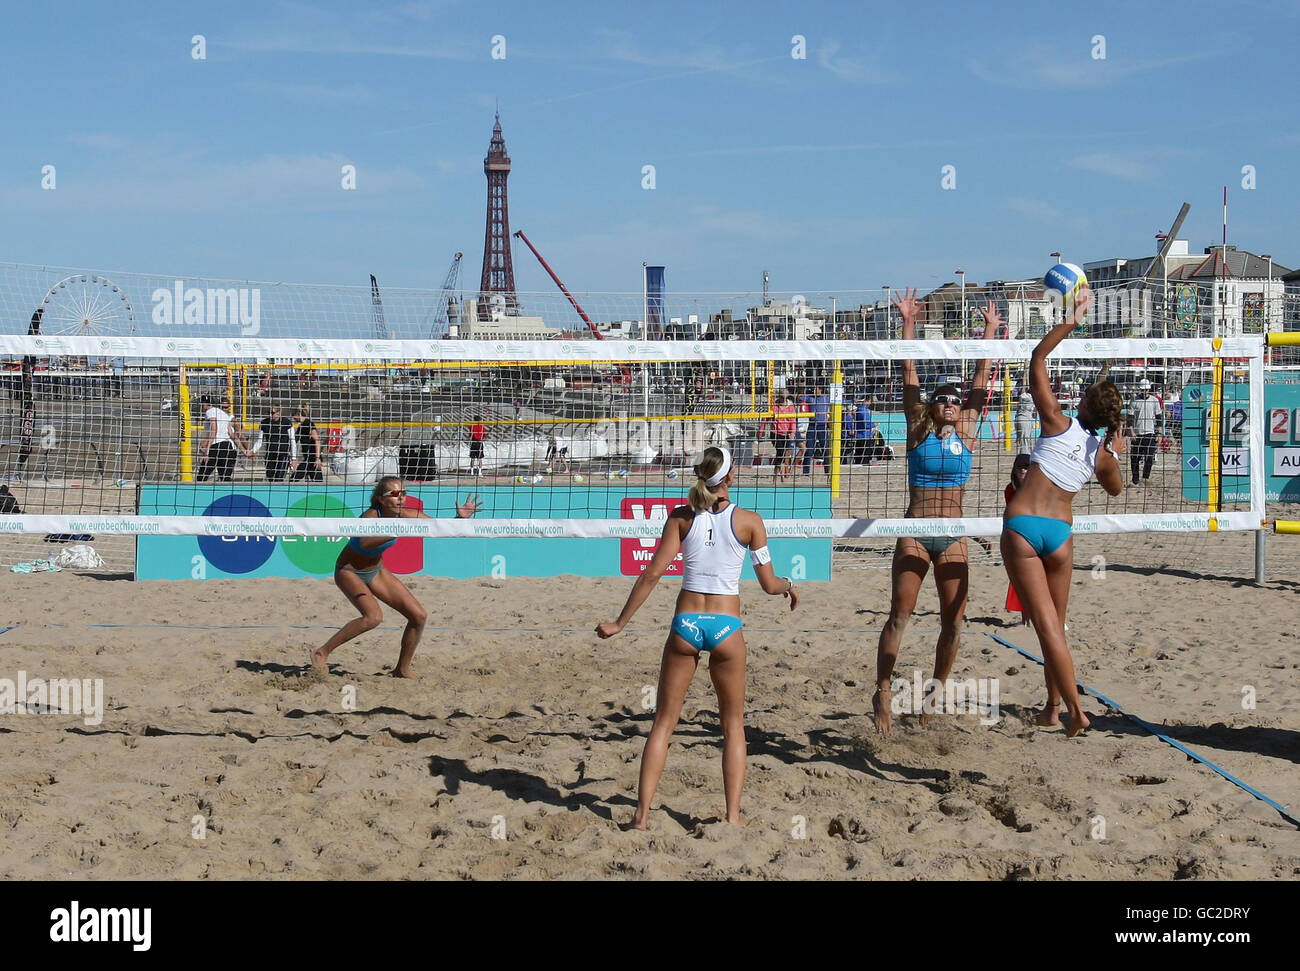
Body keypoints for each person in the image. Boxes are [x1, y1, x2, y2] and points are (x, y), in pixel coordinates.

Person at [596, 446, 798, 828]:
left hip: (685, 624)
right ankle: (733, 817)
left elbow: (652, 575)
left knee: (663, 724)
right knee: (733, 726)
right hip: (726, 628)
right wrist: (790, 585)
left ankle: (641, 817)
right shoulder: (750, 522)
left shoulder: (680, 518)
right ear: (731, 477)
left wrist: (620, 623)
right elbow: (769, 585)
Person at [872, 289, 1001, 735]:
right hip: (914, 530)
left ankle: (932, 696)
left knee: (954, 621)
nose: (949, 404)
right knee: (899, 616)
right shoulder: (917, 428)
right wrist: (907, 323)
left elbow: (982, 376)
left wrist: (990, 332)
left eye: (955, 400)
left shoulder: (967, 429)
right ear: (933, 406)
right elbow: (909, 373)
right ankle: (883, 691)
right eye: (942, 399)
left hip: (954, 534)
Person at [1003, 287, 1125, 737]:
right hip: (1060, 536)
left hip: (1023, 528)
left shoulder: (1056, 420)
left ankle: (1076, 711)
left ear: (1083, 405)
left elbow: (1037, 359)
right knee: (1056, 625)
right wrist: (1115, 451)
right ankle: (1053, 707)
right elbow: (1115, 492)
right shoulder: (1102, 455)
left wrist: (1071, 320)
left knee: (1046, 627)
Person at [312, 478, 482, 679]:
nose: (401, 498)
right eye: (394, 494)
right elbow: (365, 543)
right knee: (373, 617)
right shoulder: (370, 517)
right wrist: (399, 528)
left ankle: (402, 669)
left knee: (418, 616)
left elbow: (437, 528)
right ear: (380, 500)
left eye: (403, 493)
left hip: (376, 571)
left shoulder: (407, 515)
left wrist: (458, 519)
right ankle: (321, 652)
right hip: (348, 571)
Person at [1004, 454, 1032, 625]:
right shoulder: (1010, 489)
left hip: (1037, 534)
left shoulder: (1038, 487)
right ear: (1014, 469)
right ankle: (1025, 618)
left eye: (1026, 467)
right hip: (1018, 535)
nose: (1023, 469)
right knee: (1019, 578)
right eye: (1020, 467)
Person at [196, 395, 246, 482]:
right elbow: (232, 434)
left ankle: (198, 495)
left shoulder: (210, 412)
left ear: (204, 404)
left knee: (201, 477)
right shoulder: (224, 414)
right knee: (225, 478)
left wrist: (207, 451)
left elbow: (214, 431)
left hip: (217, 447)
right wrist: (244, 450)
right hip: (228, 447)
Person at [1130, 379, 1162, 486]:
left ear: (1149, 389)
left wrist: (1159, 433)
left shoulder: (1154, 401)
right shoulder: (1134, 401)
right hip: (1137, 433)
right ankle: (1135, 480)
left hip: (1150, 432)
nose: (1144, 391)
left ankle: (1145, 478)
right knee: (1135, 458)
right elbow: (1130, 419)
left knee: (1149, 457)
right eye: (1142, 389)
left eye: (1146, 389)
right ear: (1140, 389)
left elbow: (1159, 418)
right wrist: (1132, 432)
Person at [258, 406, 293, 482]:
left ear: (279, 413)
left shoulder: (286, 422)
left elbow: (292, 440)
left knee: (279, 478)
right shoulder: (264, 423)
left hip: (282, 455)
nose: (271, 415)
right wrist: (253, 451)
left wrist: (294, 458)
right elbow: (259, 441)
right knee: (270, 477)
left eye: (273, 413)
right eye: (269, 413)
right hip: (270, 455)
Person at [290, 404, 323, 481]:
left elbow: (317, 440)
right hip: (308, 459)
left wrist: (317, 458)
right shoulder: (300, 427)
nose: (293, 417)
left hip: (312, 460)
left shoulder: (308, 423)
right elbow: (294, 440)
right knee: (317, 481)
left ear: (298, 414)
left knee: (293, 479)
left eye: (293, 415)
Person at [1015, 387, 1037, 454]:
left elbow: (1034, 415)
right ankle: (1024, 455)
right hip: (1023, 418)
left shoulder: (1033, 397)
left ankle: (1026, 455)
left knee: (1026, 439)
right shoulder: (1025, 396)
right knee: (1025, 439)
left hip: (1027, 418)